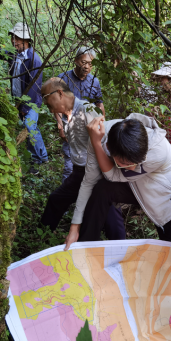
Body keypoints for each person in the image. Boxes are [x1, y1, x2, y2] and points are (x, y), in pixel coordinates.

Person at [63, 113, 171, 250]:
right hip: (134, 185)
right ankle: (86, 247)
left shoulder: (158, 152)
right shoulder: (98, 138)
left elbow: (113, 175)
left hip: (163, 194)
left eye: (137, 162)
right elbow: (88, 182)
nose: (131, 167)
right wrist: (74, 227)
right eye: (124, 163)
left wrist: (97, 145)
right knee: (102, 189)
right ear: (108, 148)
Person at [39, 78, 125, 239]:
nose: (45, 103)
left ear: (59, 93)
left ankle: (120, 246)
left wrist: (106, 174)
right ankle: (42, 235)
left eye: (46, 98)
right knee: (56, 199)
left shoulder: (88, 110)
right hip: (78, 172)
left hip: (97, 172)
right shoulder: (66, 114)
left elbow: (105, 141)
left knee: (109, 211)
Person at [0, 22, 48, 174]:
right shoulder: (16, 55)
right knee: (29, 129)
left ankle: (39, 159)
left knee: (30, 128)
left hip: (30, 103)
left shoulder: (33, 60)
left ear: (26, 40)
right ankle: (39, 156)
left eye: (17, 38)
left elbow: (34, 88)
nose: (13, 41)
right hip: (19, 101)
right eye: (13, 38)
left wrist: (25, 108)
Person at [58, 47, 106, 181]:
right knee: (70, 162)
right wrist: (60, 125)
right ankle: (68, 188)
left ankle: (85, 187)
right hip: (70, 126)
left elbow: (99, 104)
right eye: (84, 62)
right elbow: (56, 105)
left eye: (90, 64)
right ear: (75, 61)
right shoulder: (63, 79)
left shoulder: (94, 81)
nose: (87, 67)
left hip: (89, 127)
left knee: (89, 161)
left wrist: (103, 123)